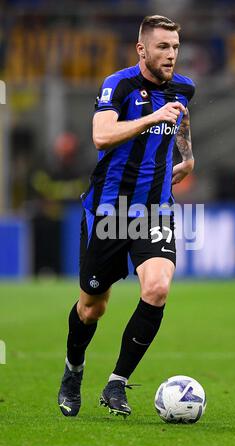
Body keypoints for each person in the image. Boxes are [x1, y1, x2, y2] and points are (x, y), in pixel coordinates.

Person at [58, 15, 195, 418]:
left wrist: (187, 155)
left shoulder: (184, 87)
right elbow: (101, 135)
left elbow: (182, 114)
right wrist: (152, 119)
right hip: (108, 212)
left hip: (154, 208)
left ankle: (116, 383)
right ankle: (73, 370)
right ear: (142, 50)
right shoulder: (117, 86)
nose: (171, 55)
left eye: (175, 48)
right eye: (162, 47)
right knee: (92, 307)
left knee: (156, 288)